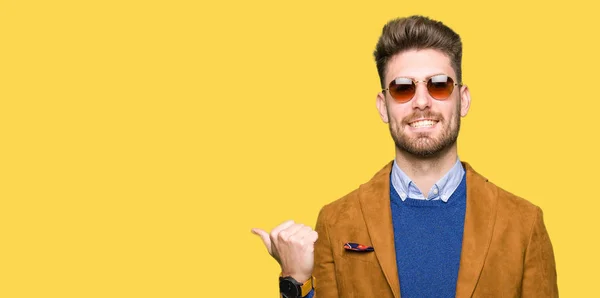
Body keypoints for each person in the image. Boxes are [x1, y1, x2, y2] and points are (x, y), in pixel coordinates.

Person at [252, 15, 558, 298]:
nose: (421, 102)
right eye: (402, 88)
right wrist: (295, 278)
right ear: (383, 106)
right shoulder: (335, 222)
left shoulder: (524, 224)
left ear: (462, 100)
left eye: (439, 85)